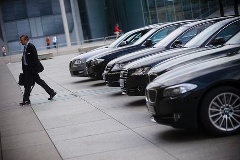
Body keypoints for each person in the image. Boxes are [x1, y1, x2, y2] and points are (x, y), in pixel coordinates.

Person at [19, 35, 56, 106]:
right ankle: (51, 92)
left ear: (26, 40)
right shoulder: (25, 48)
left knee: (29, 84)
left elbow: (35, 59)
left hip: (32, 71)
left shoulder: (31, 47)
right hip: (27, 70)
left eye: (22, 40)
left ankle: (26, 100)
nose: (20, 42)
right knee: (32, 83)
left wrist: (34, 70)